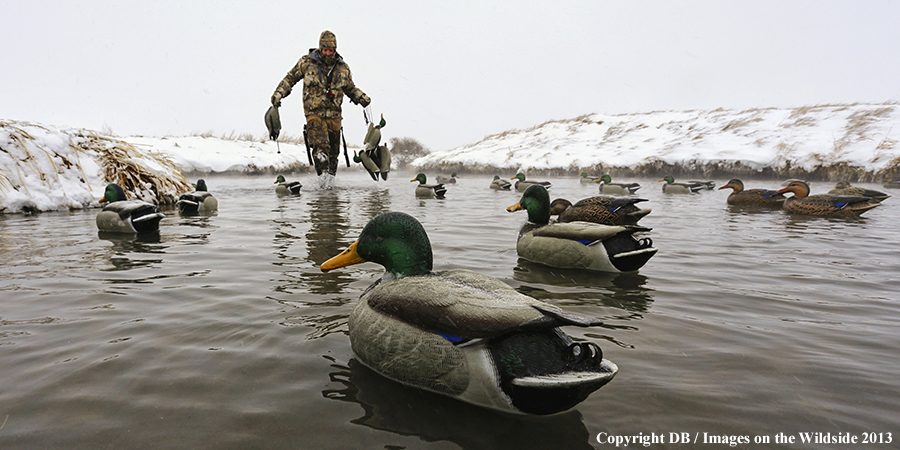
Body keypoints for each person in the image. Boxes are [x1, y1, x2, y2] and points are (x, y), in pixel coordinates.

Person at [271, 30, 371, 176]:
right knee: (321, 147)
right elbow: (290, 79)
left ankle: (330, 188)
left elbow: (350, 88)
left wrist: (362, 98)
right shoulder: (306, 62)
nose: (328, 53)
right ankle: (321, 182)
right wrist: (278, 94)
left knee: (333, 155)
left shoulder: (343, 68)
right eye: (325, 50)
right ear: (320, 48)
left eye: (331, 50)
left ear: (335, 49)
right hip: (314, 113)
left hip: (335, 116)